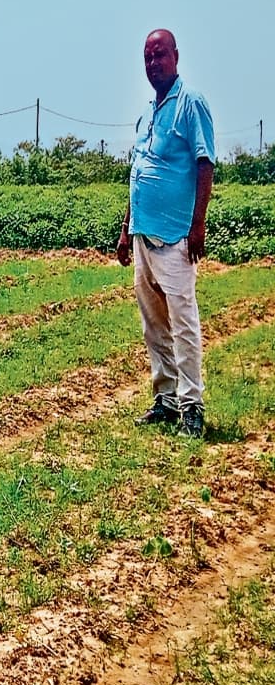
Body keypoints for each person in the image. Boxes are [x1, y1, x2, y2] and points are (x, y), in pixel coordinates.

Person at [117, 29, 214, 438]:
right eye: (147, 57)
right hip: (142, 233)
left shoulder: (191, 103)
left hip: (175, 235)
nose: (153, 63)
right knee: (153, 323)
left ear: (176, 56)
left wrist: (197, 224)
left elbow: (205, 163)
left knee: (183, 321)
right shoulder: (147, 111)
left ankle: (192, 406)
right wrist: (125, 229)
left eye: (160, 55)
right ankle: (166, 397)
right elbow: (138, 171)